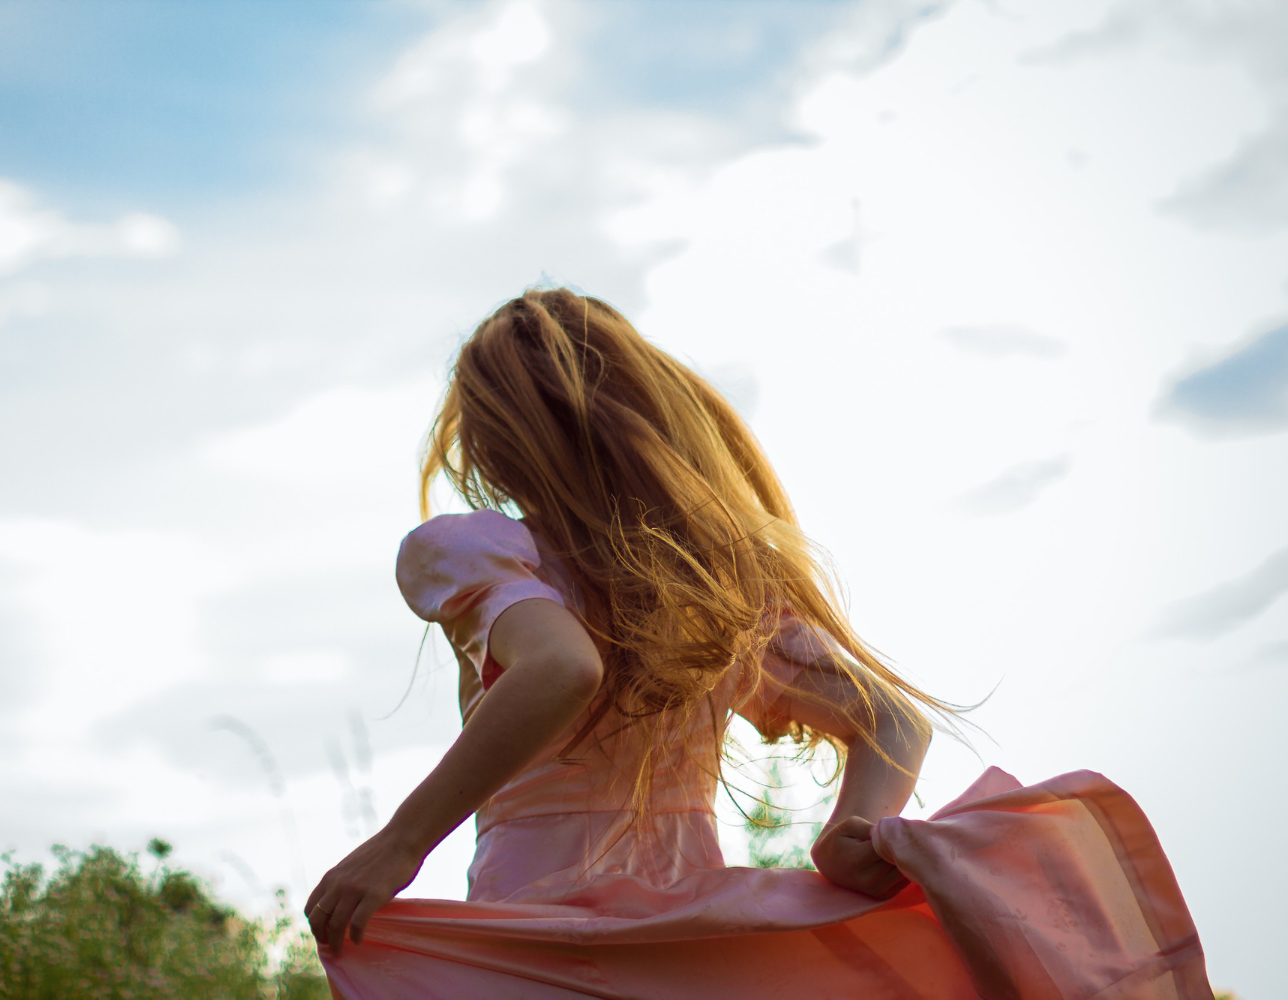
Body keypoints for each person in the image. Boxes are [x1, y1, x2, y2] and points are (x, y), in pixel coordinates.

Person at [306, 289, 1209, 998]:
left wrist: (399, 844)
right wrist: (850, 831)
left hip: (537, 923)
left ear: (497, 443)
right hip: (694, 937)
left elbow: (562, 667)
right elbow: (892, 721)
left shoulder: (474, 547)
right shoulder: (710, 594)